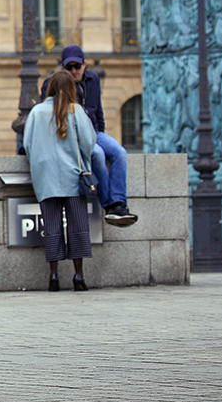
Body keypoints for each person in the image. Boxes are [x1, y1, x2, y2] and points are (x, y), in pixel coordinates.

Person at [40, 45, 137, 227]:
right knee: (98, 154)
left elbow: (97, 110)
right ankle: (109, 206)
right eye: (69, 67)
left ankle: (119, 202)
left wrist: (101, 131)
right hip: (71, 135)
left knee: (119, 152)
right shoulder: (55, 83)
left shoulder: (93, 80)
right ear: (63, 67)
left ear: (85, 64)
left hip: (93, 131)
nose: (74, 71)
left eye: (77, 66)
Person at [24, 71, 95, 292]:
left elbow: (27, 144)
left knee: (52, 227)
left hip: (45, 178)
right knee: (77, 226)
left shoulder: (36, 112)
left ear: (50, 88)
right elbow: (89, 143)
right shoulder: (77, 111)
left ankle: (53, 277)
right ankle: (78, 276)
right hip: (72, 176)